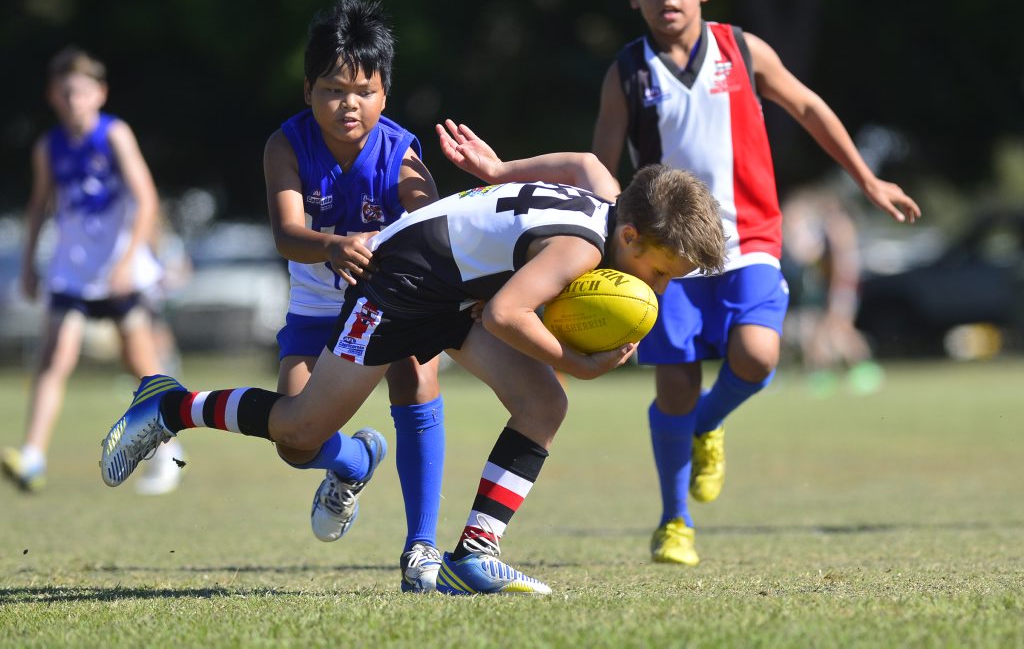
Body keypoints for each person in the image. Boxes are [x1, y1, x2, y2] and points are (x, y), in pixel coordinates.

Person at [99, 119, 727, 595]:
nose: (658, 288)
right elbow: (509, 314)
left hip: (450, 286)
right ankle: (172, 404)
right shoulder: (582, 248)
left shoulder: (610, 196)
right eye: (661, 271)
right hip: (400, 280)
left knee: (541, 405)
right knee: (300, 428)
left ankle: (474, 555)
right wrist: (579, 361)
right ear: (628, 236)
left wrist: (501, 170)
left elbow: (586, 161)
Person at [590, 0, 922, 566]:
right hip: (671, 257)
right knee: (676, 386)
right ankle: (675, 521)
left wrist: (867, 180)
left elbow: (808, 106)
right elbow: (600, 171)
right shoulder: (627, 72)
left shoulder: (741, 49)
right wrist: (603, 257)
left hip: (750, 239)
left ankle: (707, 425)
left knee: (758, 354)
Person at [264, 0, 446, 592]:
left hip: (391, 298)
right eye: (333, 89)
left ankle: (421, 547)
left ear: (384, 94)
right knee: (294, 438)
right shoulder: (286, 146)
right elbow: (289, 236)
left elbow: (432, 224)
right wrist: (335, 245)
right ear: (309, 91)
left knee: (416, 377)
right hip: (317, 304)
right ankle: (355, 461)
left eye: (363, 90)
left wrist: (397, 244)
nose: (349, 104)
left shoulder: (402, 154)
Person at [2, 46, 185, 495]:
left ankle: (167, 455)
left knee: (141, 363)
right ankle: (33, 455)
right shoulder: (49, 147)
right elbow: (39, 205)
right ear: (52, 96)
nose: (72, 100)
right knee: (53, 359)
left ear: (99, 94)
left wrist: (127, 262)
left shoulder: (115, 135)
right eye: (64, 92)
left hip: (119, 270)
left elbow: (146, 198)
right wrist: (27, 264)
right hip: (73, 272)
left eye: (81, 92)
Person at [781, 187, 884, 397]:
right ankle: (825, 373)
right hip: (836, 286)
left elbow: (840, 264)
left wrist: (835, 290)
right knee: (829, 329)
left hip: (842, 286)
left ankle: (864, 369)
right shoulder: (831, 228)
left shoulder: (838, 226)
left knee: (840, 328)